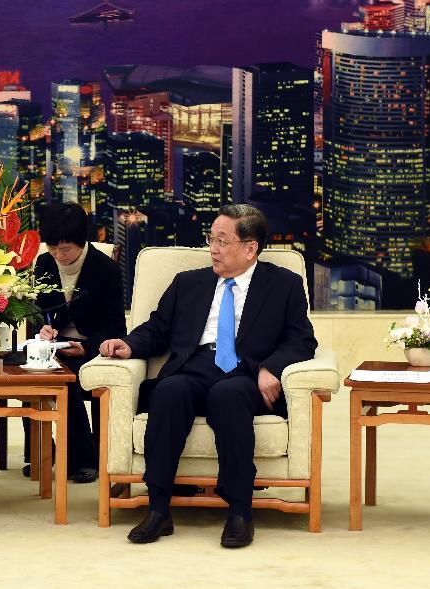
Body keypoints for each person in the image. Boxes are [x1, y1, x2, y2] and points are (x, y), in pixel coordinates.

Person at [99, 204, 317, 548]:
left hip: (245, 370)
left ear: (250, 248)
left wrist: (270, 368)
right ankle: (158, 508)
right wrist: (127, 345)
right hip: (195, 364)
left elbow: (302, 340)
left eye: (222, 240)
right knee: (169, 391)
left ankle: (240, 511)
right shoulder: (189, 283)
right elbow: (157, 329)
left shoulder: (283, 285)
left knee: (227, 396)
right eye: (211, 239)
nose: (212, 248)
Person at [27, 202, 126, 483]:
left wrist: (86, 346)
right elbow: (38, 311)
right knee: (29, 374)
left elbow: (115, 326)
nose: (59, 255)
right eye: (53, 248)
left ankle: (84, 459)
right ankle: (41, 452)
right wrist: (43, 329)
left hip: (92, 349)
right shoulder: (44, 263)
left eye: (66, 249)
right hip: (55, 346)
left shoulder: (104, 269)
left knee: (64, 379)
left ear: (82, 243)